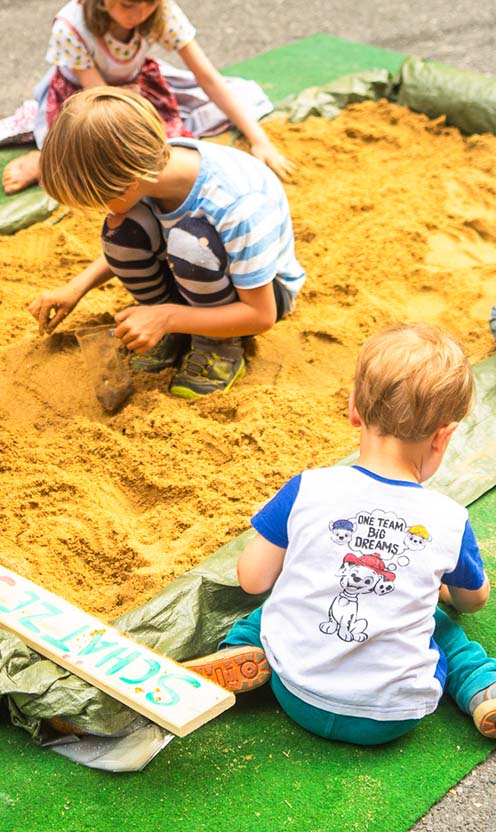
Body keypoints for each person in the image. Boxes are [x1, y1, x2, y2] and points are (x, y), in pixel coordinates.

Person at [183, 323, 496, 744]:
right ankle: (482, 688)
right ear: (444, 436)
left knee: (275, 606)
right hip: (391, 717)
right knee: (442, 630)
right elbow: (473, 600)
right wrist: (442, 588)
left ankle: (238, 650)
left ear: (353, 410)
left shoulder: (309, 487)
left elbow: (252, 578)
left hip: (295, 693)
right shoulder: (448, 518)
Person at [27, 87, 304, 398]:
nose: (102, 209)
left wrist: (169, 317)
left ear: (129, 183)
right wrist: (77, 286)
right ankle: (165, 326)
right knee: (122, 228)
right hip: (194, 272)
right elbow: (148, 230)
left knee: (188, 241)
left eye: (100, 200)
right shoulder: (145, 162)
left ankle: (218, 345)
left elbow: (261, 315)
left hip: (258, 296)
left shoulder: (235, 206)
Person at [1, 0, 290, 196]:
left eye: (149, 4)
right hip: (87, 100)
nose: (139, 15)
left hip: (134, 88)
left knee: (169, 144)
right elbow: (101, 102)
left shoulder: (160, 11)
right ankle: (46, 159)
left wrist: (259, 140)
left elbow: (207, 76)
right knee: (101, 157)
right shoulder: (71, 27)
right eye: (128, 4)